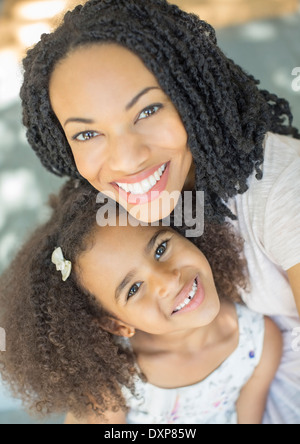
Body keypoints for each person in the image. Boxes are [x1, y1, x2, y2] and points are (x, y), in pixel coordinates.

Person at [20, 0, 300, 422]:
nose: (128, 158)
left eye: (148, 110)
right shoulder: (115, 214)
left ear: (192, 96)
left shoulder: (284, 190)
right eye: (88, 133)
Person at [0, 180, 282, 424]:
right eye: (133, 289)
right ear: (116, 324)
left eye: (160, 248)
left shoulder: (259, 343)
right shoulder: (113, 379)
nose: (168, 280)